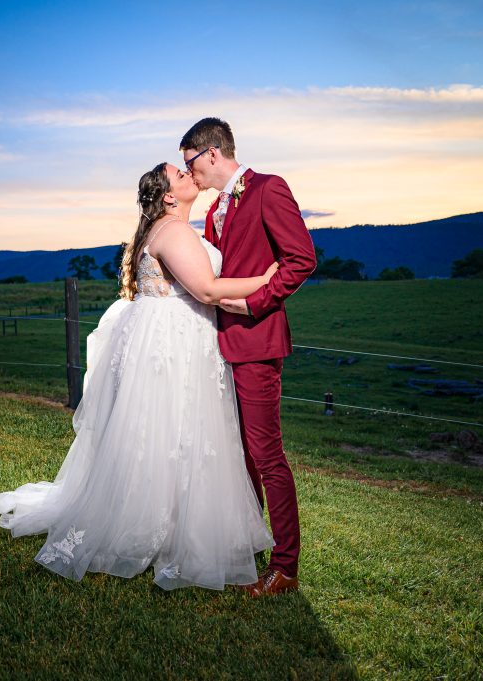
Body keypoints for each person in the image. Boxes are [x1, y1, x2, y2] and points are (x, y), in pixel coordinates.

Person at [0, 162, 278, 591]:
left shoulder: (159, 229)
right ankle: (168, 528)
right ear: (167, 196)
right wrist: (269, 277)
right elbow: (205, 291)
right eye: (179, 175)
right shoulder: (175, 231)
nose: (188, 175)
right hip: (175, 343)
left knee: (160, 432)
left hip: (167, 338)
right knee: (176, 431)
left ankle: (169, 516)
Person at [180, 117, 317, 596]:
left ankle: (286, 566)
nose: (190, 174)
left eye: (191, 162)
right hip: (219, 346)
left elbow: (302, 260)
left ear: (212, 153)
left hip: (257, 343)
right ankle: (249, 545)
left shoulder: (268, 189)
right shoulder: (216, 206)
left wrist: (255, 301)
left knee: (266, 455)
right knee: (238, 456)